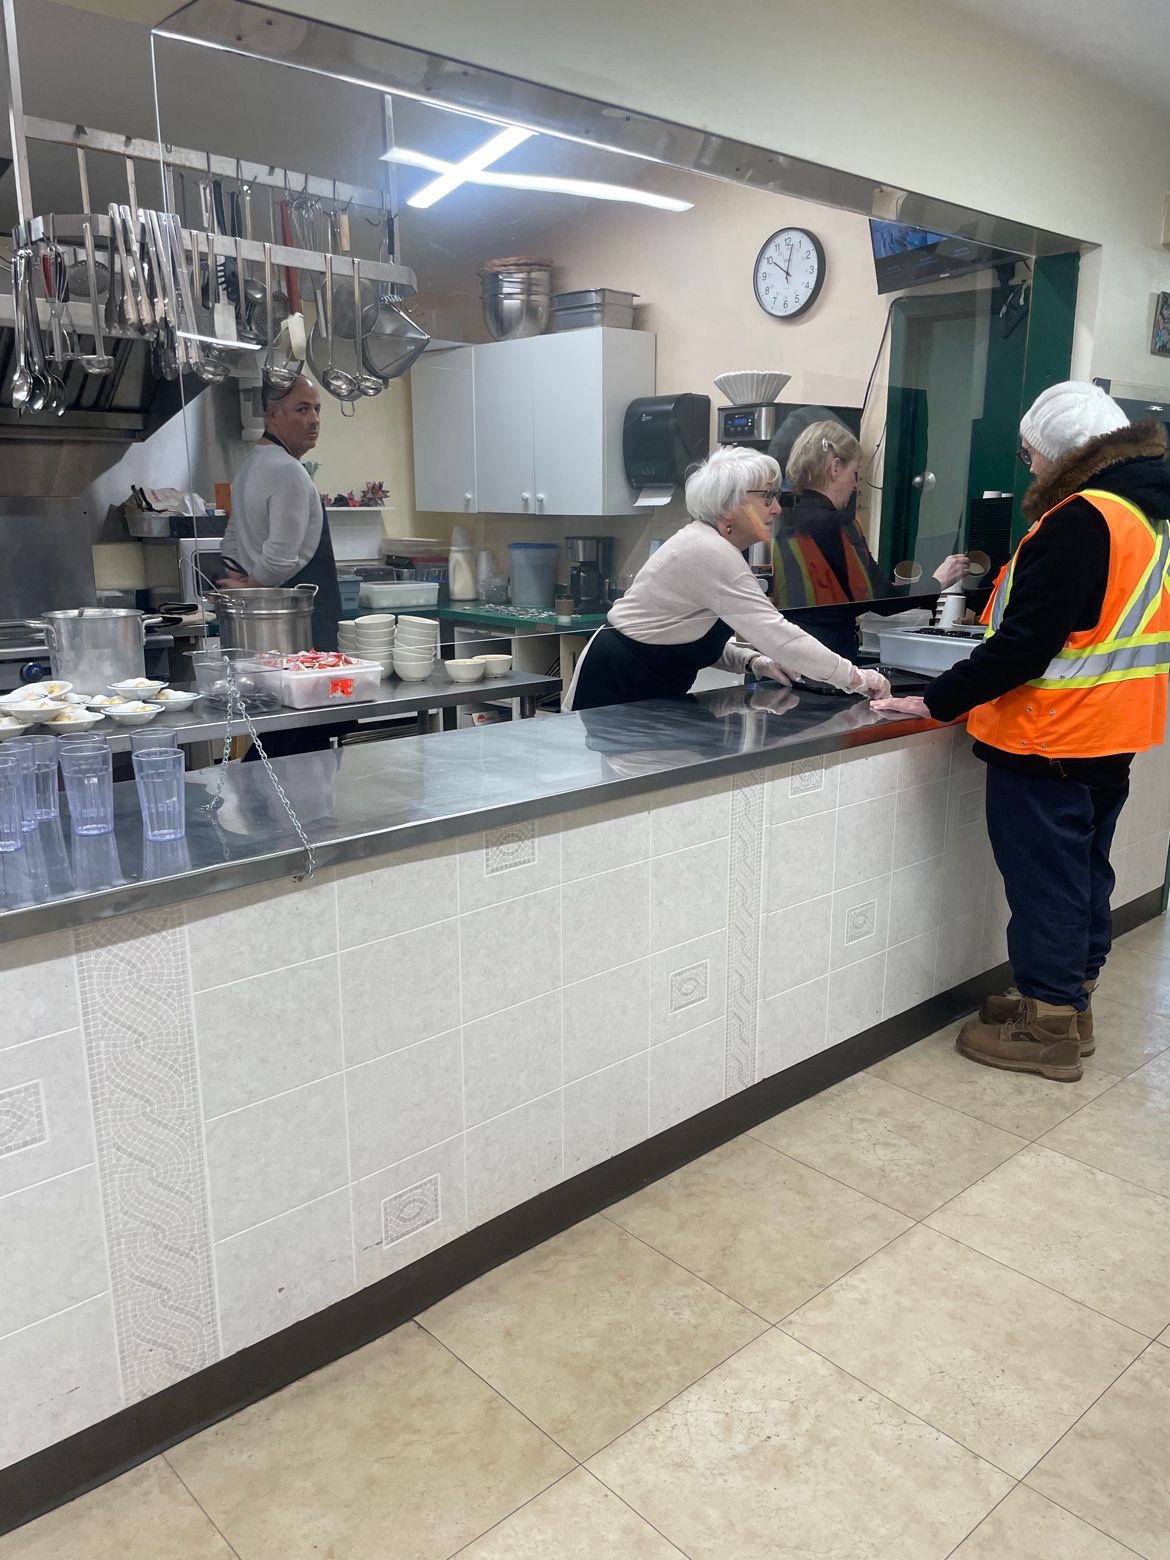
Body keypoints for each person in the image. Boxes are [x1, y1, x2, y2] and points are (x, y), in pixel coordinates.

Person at [873, 381, 1170, 1082]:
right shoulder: (1146, 513)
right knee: (1083, 871)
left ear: (1067, 453)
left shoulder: (1081, 518)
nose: (1029, 467)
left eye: (1032, 454)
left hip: (1051, 735)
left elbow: (1025, 645)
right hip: (1109, 731)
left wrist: (936, 702)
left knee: (1047, 883)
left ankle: (1051, 1026)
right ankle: (1068, 997)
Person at [564, 446, 891, 711]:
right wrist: (856, 678)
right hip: (614, 686)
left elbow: (685, 638)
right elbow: (777, 634)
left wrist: (753, 661)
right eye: (767, 496)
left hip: (642, 687)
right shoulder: (709, 552)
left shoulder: (713, 546)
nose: (776, 508)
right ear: (728, 506)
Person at [772, 420, 969, 658]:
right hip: (829, 658)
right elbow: (882, 599)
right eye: (854, 472)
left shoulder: (787, 526)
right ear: (835, 468)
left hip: (788, 653)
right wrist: (938, 581)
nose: (855, 484)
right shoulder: (838, 524)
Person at [217, 375, 342, 654]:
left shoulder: (248, 466)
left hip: (262, 625)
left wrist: (241, 580)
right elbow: (280, 555)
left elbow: (231, 538)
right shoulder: (289, 471)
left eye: (317, 409)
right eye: (302, 409)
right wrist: (252, 586)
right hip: (298, 625)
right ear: (273, 415)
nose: (314, 419)